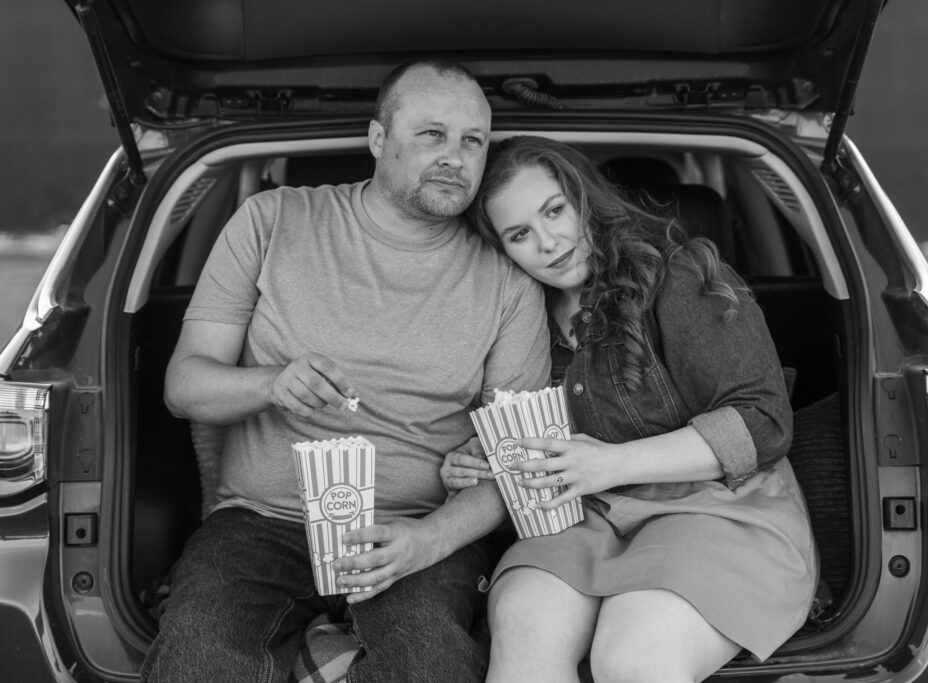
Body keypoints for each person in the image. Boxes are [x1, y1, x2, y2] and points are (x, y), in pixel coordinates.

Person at [143, 62, 551, 683]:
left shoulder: (509, 279)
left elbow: (517, 469)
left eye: (472, 140)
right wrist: (269, 384)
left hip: (419, 529)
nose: (455, 156)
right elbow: (184, 388)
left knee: (431, 665)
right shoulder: (272, 220)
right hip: (262, 521)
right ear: (377, 139)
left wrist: (429, 542)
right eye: (431, 135)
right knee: (200, 657)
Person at [442, 135, 818, 682]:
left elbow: (761, 423)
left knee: (633, 659)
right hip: (581, 516)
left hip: (717, 508)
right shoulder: (516, 316)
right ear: (501, 249)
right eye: (520, 234)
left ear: (584, 199)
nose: (548, 242)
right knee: (525, 628)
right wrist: (477, 462)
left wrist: (611, 464)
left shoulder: (677, 275)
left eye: (555, 211)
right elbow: (534, 435)